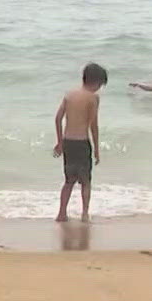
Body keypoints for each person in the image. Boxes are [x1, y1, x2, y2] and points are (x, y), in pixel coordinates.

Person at [53, 63, 106, 222]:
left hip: (68, 142)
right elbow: (93, 125)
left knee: (68, 181)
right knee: (85, 182)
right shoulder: (93, 98)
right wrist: (96, 148)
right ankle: (84, 214)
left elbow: (58, 118)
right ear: (96, 82)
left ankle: (61, 213)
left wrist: (59, 142)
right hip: (82, 142)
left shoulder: (69, 95)